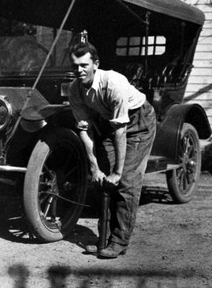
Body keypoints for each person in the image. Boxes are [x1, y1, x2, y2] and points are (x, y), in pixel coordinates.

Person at [68, 40, 156, 259]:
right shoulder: (74, 90)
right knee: (103, 182)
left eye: (84, 65)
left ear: (95, 64)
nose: (79, 70)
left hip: (139, 123)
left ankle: (119, 241)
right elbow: (84, 131)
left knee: (125, 180)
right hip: (111, 123)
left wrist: (117, 171)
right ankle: (104, 238)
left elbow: (121, 131)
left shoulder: (114, 83)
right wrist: (95, 167)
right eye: (75, 66)